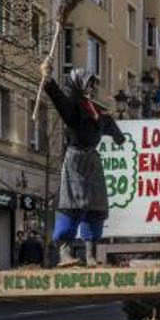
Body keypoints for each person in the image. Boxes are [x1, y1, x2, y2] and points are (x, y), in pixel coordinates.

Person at [40, 66, 127, 266]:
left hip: (92, 162)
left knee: (96, 206)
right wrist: (49, 80)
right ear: (79, 83)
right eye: (89, 83)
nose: (93, 87)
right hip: (76, 160)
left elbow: (106, 123)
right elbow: (60, 101)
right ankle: (64, 252)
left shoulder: (93, 108)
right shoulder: (72, 105)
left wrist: (118, 135)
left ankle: (90, 254)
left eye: (94, 83)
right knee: (72, 204)